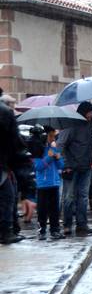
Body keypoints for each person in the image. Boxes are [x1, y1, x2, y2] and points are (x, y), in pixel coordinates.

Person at [61, 101, 92, 236]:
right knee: (69, 197)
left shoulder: (89, 125)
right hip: (71, 167)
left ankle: (82, 225)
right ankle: (67, 225)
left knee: (82, 197)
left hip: (85, 166)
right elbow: (61, 145)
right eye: (90, 113)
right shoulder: (71, 125)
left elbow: (86, 144)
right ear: (84, 112)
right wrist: (65, 164)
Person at [0, 102, 29, 244]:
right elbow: (14, 142)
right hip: (2, 163)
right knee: (7, 197)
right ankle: (6, 232)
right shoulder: (5, 111)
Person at [34, 126, 65, 240]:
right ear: (44, 135)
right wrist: (48, 157)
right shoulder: (38, 149)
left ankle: (55, 230)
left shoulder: (54, 148)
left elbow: (61, 165)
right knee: (42, 210)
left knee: (54, 209)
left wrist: (57, 158)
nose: (53, 139)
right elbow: (38, 167)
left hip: (55, 183)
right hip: (43, 184)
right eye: (50, 136)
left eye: (54, 136)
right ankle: (41, 231)